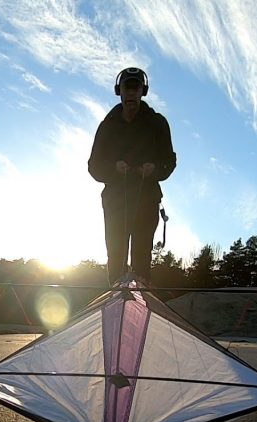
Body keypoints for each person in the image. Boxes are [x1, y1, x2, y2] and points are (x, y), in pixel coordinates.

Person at [88, 66, 176, 285]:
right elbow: (93, 166)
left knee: (141, 262)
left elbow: (169, 162)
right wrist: (113, 169)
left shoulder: (158, 123)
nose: (131, 93)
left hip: (147, 200)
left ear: (143, 91)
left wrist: (154, 168)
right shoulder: (106, 126)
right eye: (127, 88)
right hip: (115, 202)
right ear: (119, 90)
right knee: (115, 261)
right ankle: (115, 313)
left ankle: (139, 313)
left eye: (136, 88)